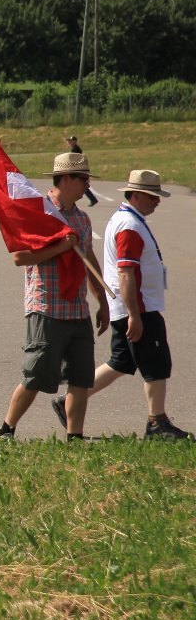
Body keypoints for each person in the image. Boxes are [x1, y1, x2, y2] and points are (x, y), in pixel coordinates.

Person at [52, 170, 190, 439]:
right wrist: (134, 315)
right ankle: (157, 422)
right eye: (152, 196)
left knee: (122, 361)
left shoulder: (126, 219)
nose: (157, 202)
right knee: (156, 364)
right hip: (138, 307)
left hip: (128, 306)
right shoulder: (129, 226)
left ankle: (69, 400)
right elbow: (126, 272)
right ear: (136, 195)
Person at [0, 152, 111, 440]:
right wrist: (60, 248)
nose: (88, 185)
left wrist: (103, 302)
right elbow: (20, 257)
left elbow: (88, 261)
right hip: (46, 307)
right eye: (83, 179)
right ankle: (6, 430)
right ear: (67, 179)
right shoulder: (39, 213)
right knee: (36, 375)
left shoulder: (82, 219)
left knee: (81, 378)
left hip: (77, 310)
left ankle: (75, 436)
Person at [66, 135, 98, 206]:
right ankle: (93, 199)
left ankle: (71, 201)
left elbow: (75, 161)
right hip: (79, 170)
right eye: (69, 141)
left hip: (78, 170)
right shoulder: (76, 148)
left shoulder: (75, 149)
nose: (69, 142)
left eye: (71, 141)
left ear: (75, 141)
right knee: (81, 186)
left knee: (77, 186)